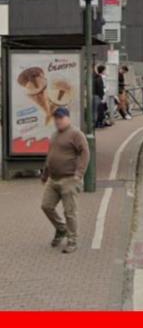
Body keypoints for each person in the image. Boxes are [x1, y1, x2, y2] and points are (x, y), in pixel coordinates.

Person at [40, 108, 90, 254]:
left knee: (70, 212)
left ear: (68, 118)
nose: (58, 121)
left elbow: (85, 153)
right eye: (56, 118)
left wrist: (79, 174)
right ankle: (61, 229)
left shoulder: (76, 134)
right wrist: (45, 174)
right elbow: (50, 157)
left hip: (69, 179)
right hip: (53, 180)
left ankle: (72, 240)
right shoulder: (55, 135)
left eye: (60, 118)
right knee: (46, 206)